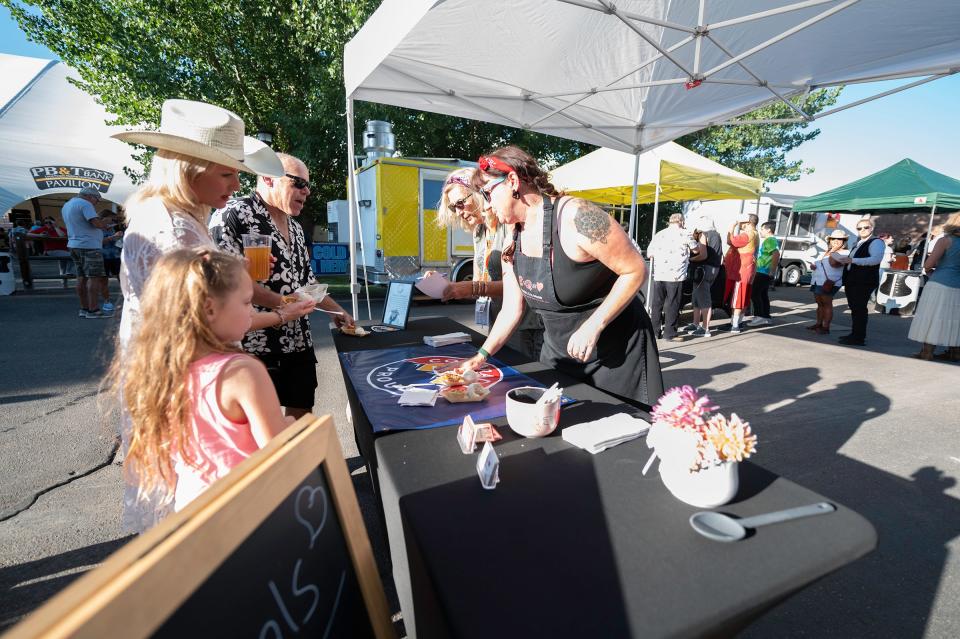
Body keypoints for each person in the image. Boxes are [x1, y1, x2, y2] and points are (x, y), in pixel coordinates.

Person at [111, 98, 315, 532]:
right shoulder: (170, 229)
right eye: (226, 171)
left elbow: (223, 291)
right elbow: (206, 315)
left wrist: (277, 302)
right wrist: (276, 315)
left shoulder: (183, 216)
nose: (235, 180)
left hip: (187, 368)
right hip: (187, 369)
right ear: (189, 167)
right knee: (198, 489)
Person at [445, 146, 663, 410]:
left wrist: (594, 325)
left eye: (489, 193)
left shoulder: (576, 216)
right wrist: (482, 356)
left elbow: (635, 269)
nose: (487, 204)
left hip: (615, 352)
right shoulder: (513, 235)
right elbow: (512, 308)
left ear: (512, 181)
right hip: (559, 351)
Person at [109, 248, 293, 512]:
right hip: (248, 509)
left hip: (192, 508)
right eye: (245, 302)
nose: (251, 310)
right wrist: (291, 423)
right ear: (209, 308)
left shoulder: (163, 369)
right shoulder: (242, 372)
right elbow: (277, 449)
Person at [212, 153, 354, 420]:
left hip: (298, 341)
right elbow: (229, 284)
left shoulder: (297, 228)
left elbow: (307, 283)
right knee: (254, 426)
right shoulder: (233, 214)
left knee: (301, 412)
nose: (307, 191)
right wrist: (285, 306)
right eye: (299, 183)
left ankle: (301, 462)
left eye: (307, 185)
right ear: (268, 178)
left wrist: (337, 312)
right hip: (253, 344)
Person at [432, 167, 545, 359]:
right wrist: (444, 285)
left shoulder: (509, 223)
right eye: (453, 207)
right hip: (498, 319)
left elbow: (521, 286)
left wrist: (472, 288)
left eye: (460, 203)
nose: (458, 212)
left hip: (526, 326)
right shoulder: (480, 231)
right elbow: (478, 280)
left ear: (479, 192)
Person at [907, 212, 960, 361]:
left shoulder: (945, 240)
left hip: (940, 282)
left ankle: (927, 352)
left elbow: (928, 264)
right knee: (955, 318)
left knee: (933, 316)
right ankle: (955, 352)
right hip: (958, 284)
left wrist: (930, 270)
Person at [835, 217, 884, 346]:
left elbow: (875, 260)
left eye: (865, 227)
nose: (862, 230)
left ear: (871, 228)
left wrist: (853, 261)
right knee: (855, 309)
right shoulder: (858, 242)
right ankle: (855, 334)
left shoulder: (876, 242)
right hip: (853, 279)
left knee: (859, 309)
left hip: (864, 280)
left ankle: (858, 337)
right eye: (859, 228)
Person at [646, 213, 690, 341]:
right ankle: (670, 333)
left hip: (659, 274)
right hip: (676, 275)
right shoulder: (685, 234)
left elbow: (650, 253)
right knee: (672, 304)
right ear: (681, 222)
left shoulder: (659, 234)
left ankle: (654, 332)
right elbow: (696, 249)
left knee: (657, 304)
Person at [807, 229, 848, 335]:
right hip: (817, 280)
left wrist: (833, 250)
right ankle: (818, 324)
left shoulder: (845, 252)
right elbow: (822, 264)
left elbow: (833, 263)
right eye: (833, 238)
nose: (836, 240)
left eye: (840, 239)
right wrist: (814, 266)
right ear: (830, 240)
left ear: (844, 241)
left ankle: (826, 327)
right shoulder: (826, 251)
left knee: (827, 304)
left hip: (830, 282)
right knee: (819, 304)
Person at [686, 217, 723, 337]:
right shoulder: (716, 234)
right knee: (697, 296)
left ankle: (705, 328)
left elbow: (702, 255)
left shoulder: (704, 235)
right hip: (714, 269)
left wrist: (689, 259)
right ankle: (696, 323)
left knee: (703, 298)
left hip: (704, 269)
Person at [723, 214, 759, 334]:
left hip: (742, 268)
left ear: (749, 223)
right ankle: (738, 322)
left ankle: (735, 326)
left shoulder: (748, 234)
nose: (740, 225)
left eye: (743, 223)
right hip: (749, 268)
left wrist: (731, 227)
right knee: (744, 296)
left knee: (738, 297)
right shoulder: (755, 233)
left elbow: (730, 241)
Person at [746, 222, 780, 327]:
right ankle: (765, 317)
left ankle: (759, 316)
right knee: (763, 295)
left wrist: (772, 271)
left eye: (762, 229)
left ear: (768, 230)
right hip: (763, 271)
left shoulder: (770, 240)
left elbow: (776, 254)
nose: (760, 231)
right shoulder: (771, 240)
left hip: (763, 272)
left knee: (755, 294)